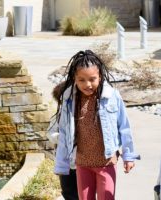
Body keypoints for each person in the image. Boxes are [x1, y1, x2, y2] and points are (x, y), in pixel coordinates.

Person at [52, 50, 140, 200]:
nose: (87, 84)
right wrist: (61, 164)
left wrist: (128, 156)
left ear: (100, 76)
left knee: (107, 197)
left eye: (92, 79)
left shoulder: (111, 96)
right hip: (82, 163)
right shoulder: (70, 100)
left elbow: (124, 127)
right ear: (75, 79)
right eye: (82, 80)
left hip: (106, 162)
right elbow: (64, 133)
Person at [48, 81, 79, 200]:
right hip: (65, 161)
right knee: (68, 191)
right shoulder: (59, 114)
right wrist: (61, 137)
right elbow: (50, 133)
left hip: (82, 160)